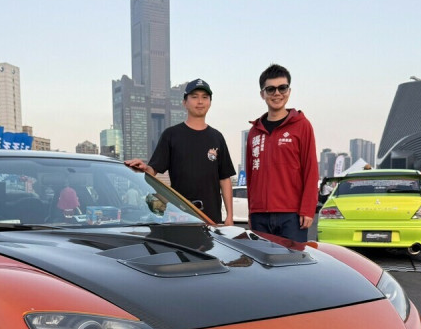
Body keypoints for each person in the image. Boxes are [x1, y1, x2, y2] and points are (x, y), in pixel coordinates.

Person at [125, 79, 235, 225]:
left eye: (205, 97)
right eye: (194, 97)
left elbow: (225, 178)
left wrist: (229, 216)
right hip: (180, 216)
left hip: (211, 217)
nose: (200, 101)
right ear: (184, 103)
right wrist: (143, 168)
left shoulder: (217, 137)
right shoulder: (171, 135)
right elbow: (153, 170)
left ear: (210, 102)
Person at [245, 64, 319, 242]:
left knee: (292, 267)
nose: (277, 93)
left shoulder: (302, 125)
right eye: (270, 89)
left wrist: (307, 210)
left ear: (289, 91)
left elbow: (310, 170)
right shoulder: (254, 132)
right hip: (259, 215)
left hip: (291, 216)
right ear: (262, 94)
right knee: (263, 268)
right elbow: (251, 176)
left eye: (282, 88)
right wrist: (251, 211)